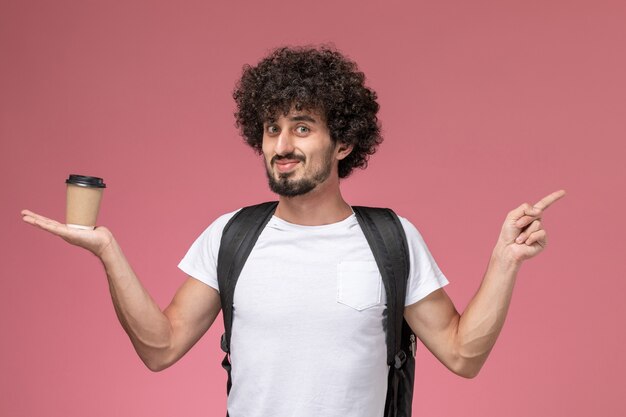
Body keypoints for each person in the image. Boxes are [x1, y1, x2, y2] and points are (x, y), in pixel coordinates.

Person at [21, 45, 565, 417]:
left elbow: (462, 356)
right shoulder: (230, 236)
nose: (282, 146)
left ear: (343, 142)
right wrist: (109, 253)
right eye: (272, 129)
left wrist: (504, 262)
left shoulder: (392, 240)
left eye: (302, 128)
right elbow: (159, 348)